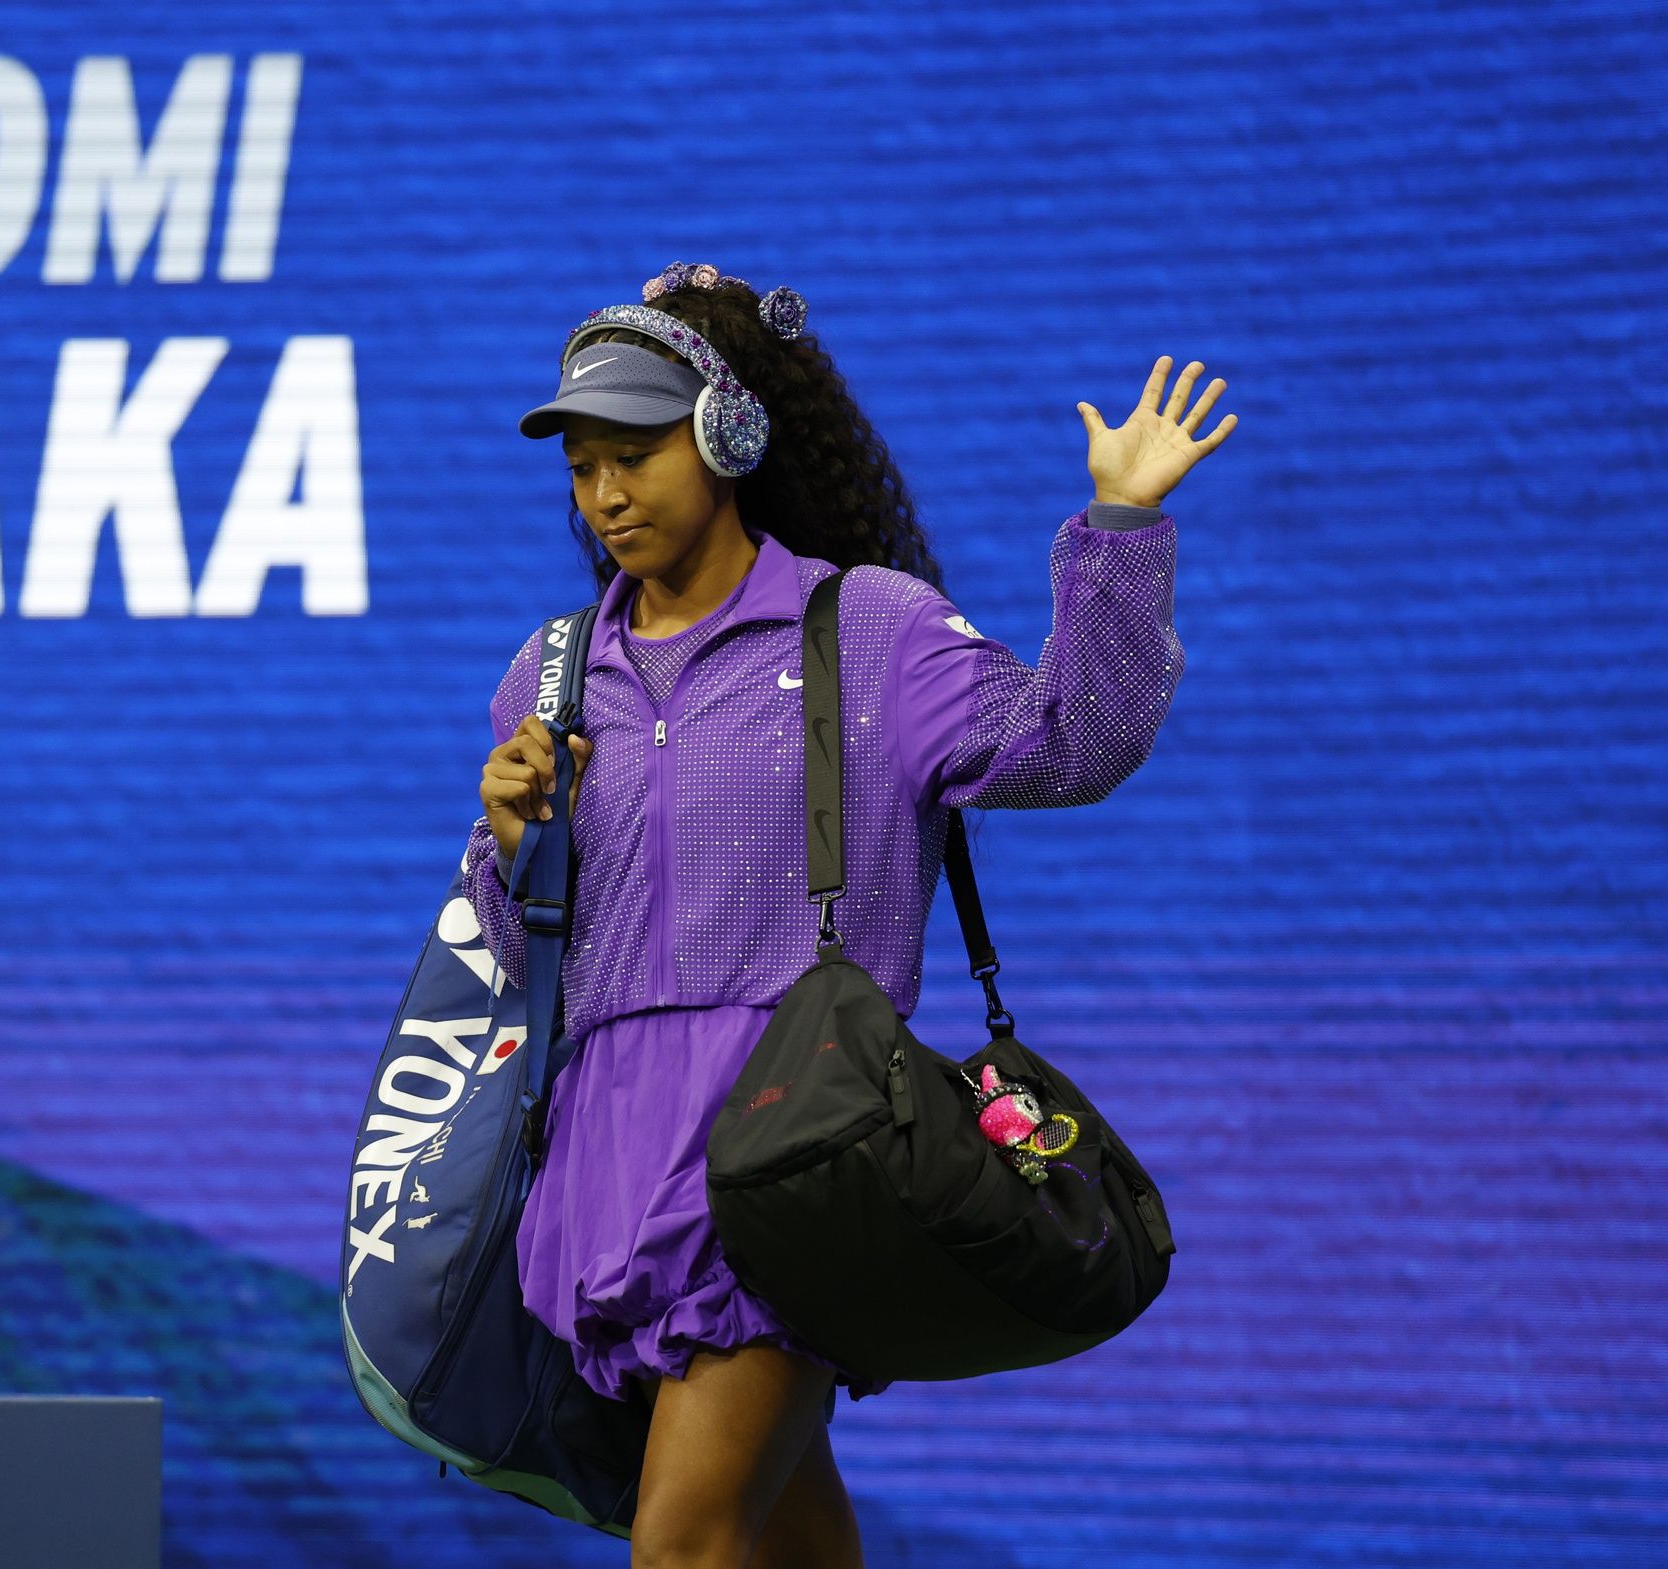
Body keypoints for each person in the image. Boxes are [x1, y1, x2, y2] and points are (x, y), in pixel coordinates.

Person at [463, 261, 1235, 1569]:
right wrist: (510, 838)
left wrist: (1117, 532)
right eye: (582, 464)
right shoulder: (552, 673)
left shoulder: (864, 629)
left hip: (789, 1150)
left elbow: (1070, 742)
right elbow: (519, 942)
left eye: (633, 454)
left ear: (729, 436)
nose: (602, 494)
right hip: (607, 1148)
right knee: (782, 1544)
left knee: (685, 1545)